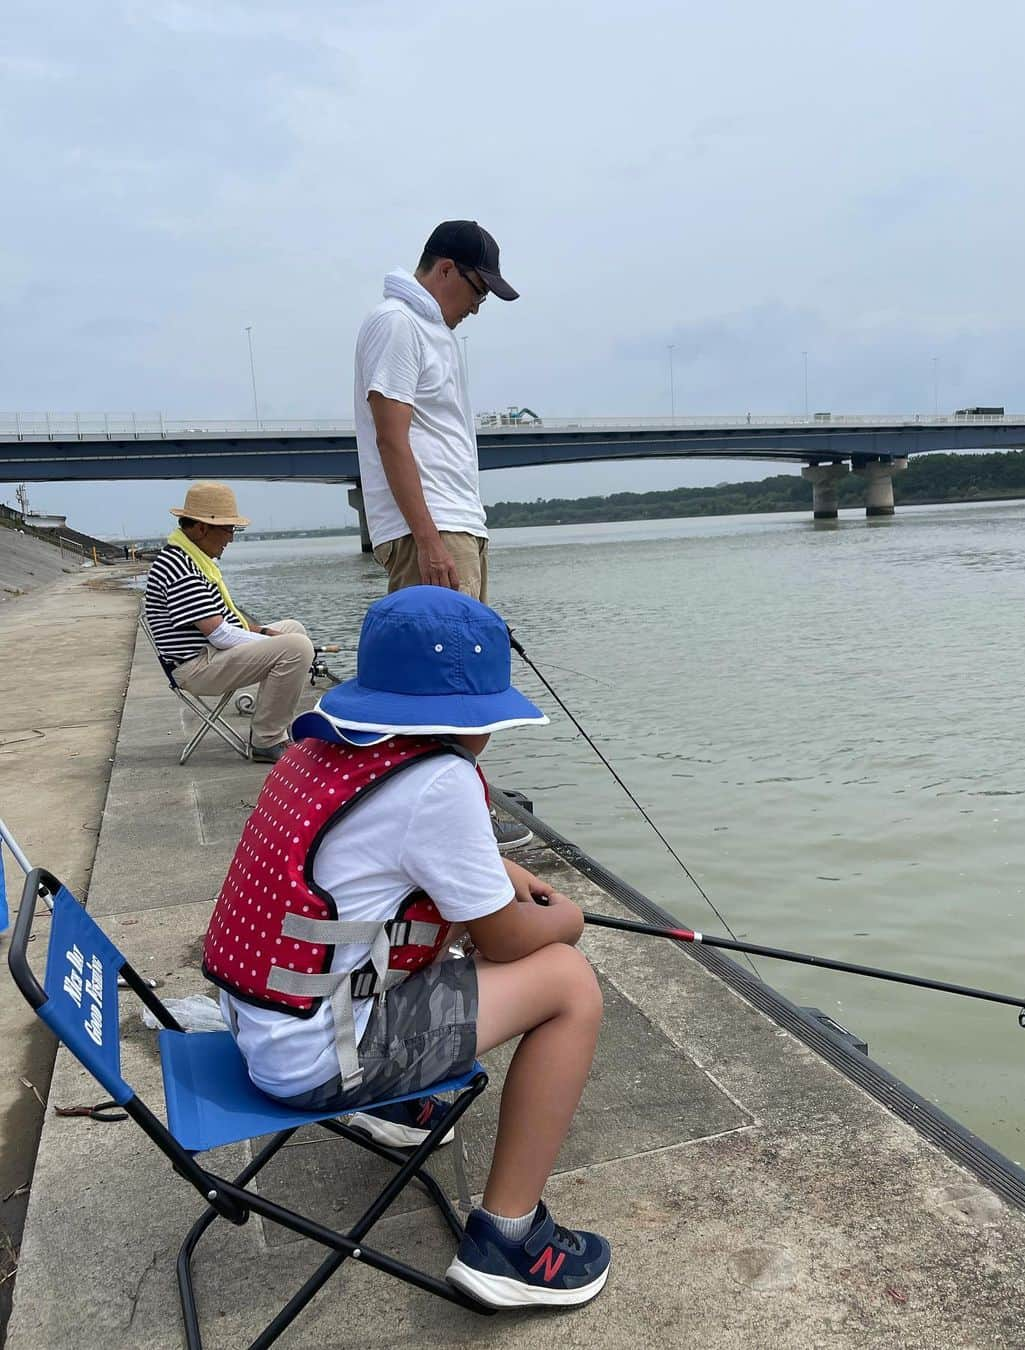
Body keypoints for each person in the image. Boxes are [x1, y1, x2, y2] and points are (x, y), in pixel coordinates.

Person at [202, 586, 610, 1308]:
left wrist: (500, 872)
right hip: (316, 1059)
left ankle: (393, 1109)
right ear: (472, 715)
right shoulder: (440, 781)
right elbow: (510, 939)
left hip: (263, 1027)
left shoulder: (325, 744)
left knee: (447, 947)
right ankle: (509, 1243)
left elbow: (393, 855)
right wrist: (567, 917)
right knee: (568, 982)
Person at [353, 219, 518, 604]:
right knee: (442, 663)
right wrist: (428, 541)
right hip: (434, 530)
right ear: (445, 269)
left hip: (458, 524)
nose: (477, 308)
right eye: (478, 292)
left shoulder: (432, 330)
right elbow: (390, 439)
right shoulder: (397, 323)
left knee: (467, 661)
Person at [143, 482, 315, 763]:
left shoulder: (192, 558)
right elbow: (221, 634)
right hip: (196, 666)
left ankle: (271, 724)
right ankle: (267, 740)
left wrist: (264, 632)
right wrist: (272, 641)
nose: (231, 538)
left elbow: (226, 620)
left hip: (209, 654)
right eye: (228, 529)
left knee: (293, 629)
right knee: (296, 647)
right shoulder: (180, 566)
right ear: (201, 528)